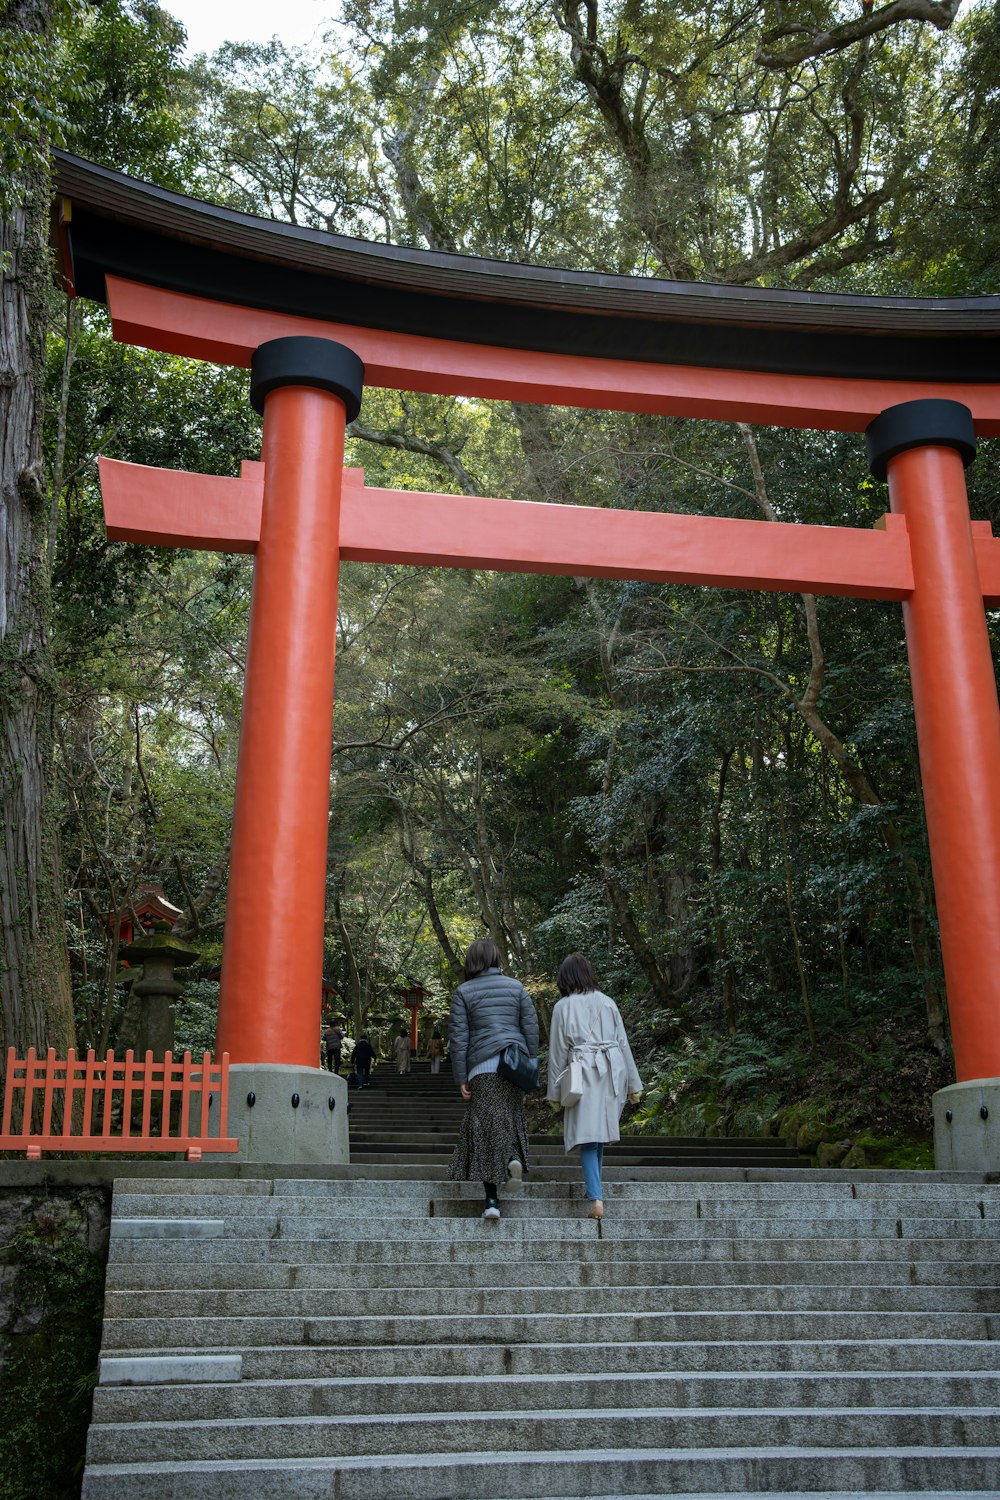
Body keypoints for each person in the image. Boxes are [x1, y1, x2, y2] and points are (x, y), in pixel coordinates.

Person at [447, 938, 539, 1221]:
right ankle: (513, 1158)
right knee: (510, 1117)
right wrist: (530, 1060)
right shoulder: (516, 987)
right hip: (513, 1064)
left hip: (483, 1068)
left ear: (471, 962)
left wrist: (461, 1077)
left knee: (486, 1128)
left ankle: (491, 1201)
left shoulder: (463, 992)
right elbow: (530, 1026)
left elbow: (459, 1038)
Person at [546, 953, 642, 1221]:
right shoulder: (608, 1002)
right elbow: (623, 1044)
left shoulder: (563, 1007)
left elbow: (557, 1054)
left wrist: (553, 1093)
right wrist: (634, 1085)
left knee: (588, 1136)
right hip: (612, 1070)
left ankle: (596, 1199)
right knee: (597, 1136)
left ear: (565, 978)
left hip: (582, 1071)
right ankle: (595, 1190)